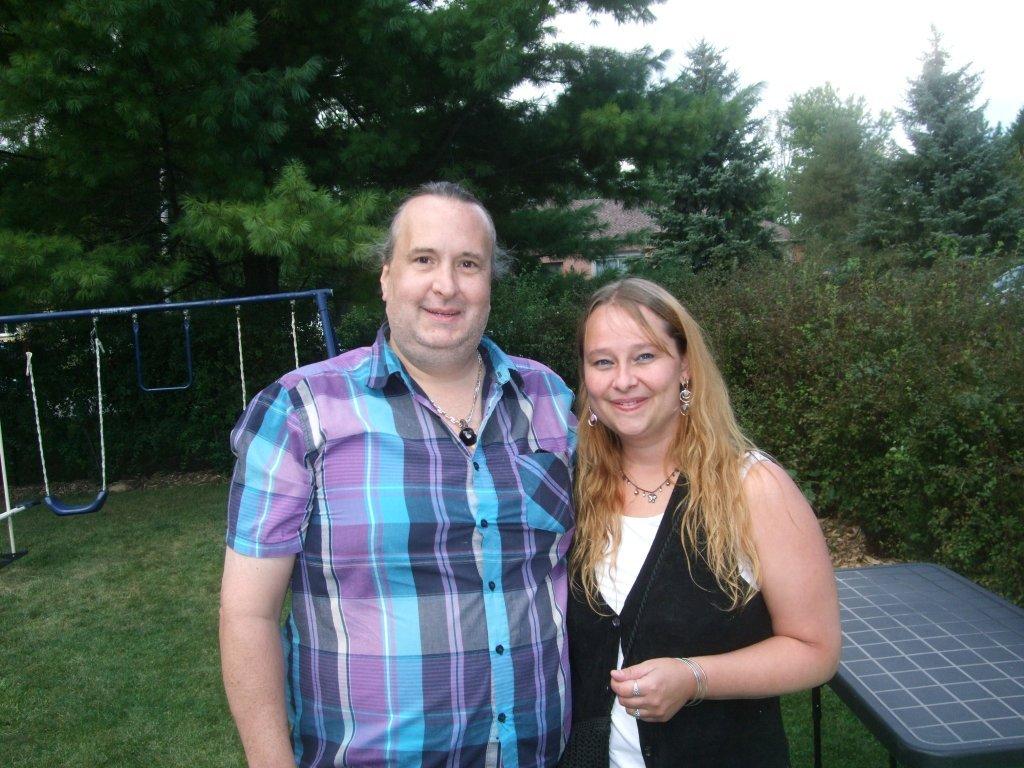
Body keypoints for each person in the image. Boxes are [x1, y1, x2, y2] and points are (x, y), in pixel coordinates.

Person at [219, 182, 576, 768]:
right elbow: (247, 615)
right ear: (387, 278)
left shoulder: (549, 400)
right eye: (424, 259)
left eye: (469, 264)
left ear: (490, 282)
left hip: (537, 754)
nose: (447, 285)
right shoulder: (300, 412)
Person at [562, 277, 840, 768]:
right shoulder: (573, 487)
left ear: (685, 367)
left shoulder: (753, 488)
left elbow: (815, 649)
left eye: (645, 356)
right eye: (603, 362)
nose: (623, 380)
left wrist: (694, 677)